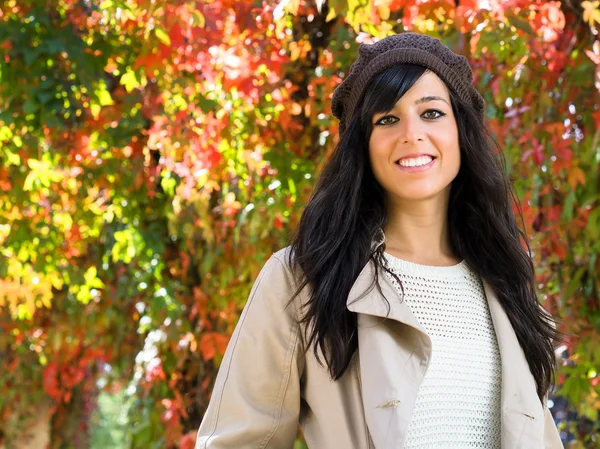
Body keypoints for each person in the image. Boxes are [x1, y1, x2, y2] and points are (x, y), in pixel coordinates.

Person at [195, 32, 564, 449]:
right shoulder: (303, 279)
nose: (412, 134)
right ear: (363, 146)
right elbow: (238, 440)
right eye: (387, 119)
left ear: (461, 131)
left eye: (432, 113)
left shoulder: (505, 283)